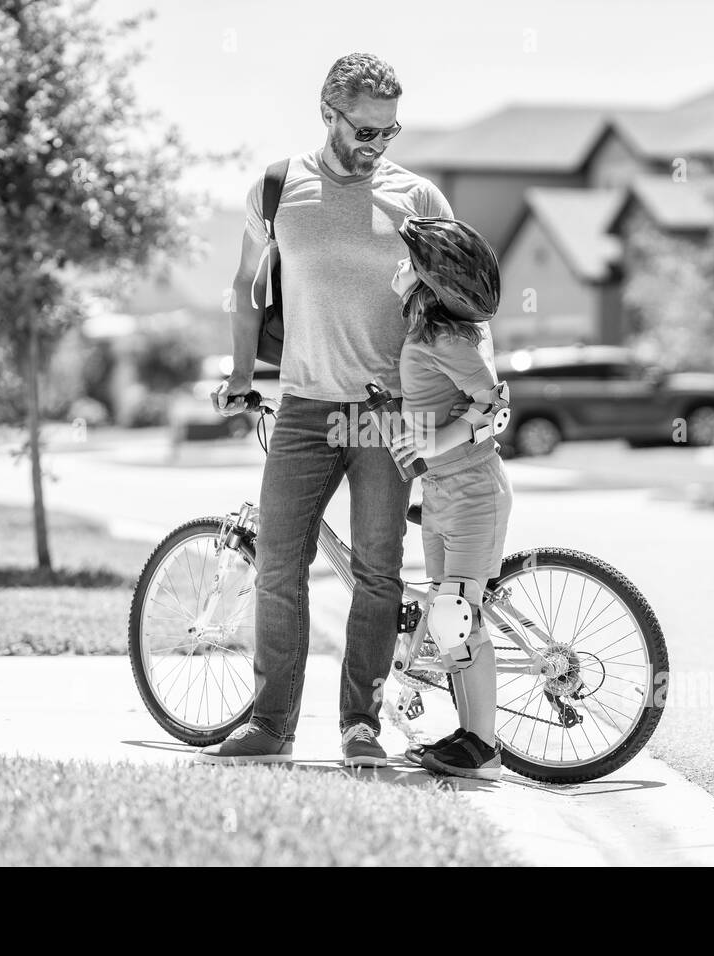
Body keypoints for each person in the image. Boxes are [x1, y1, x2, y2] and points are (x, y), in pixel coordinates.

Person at [199, 53, 454, 766]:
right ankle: (271, 724)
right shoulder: (279, 189)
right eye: (365, 130)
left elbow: (453, 307)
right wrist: (242, 375)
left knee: (379, 571)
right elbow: (248, 287)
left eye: (389, 131)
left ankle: (359, 724)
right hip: (306, 407)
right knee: (280, 565)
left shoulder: (420, 198)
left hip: (389, 410)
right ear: (328, 115)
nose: (377, 144)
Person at [388, 216, 513, 780]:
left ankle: (484, 747)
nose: (399, 270)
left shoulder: (446, 338)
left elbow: (495, 406)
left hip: (471, 493)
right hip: (444, 491)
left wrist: (435, 440)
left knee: (455, 617)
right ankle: (467, 735)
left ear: (430, 287)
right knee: (448, 621)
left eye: (409, 265)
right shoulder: (426, 331)